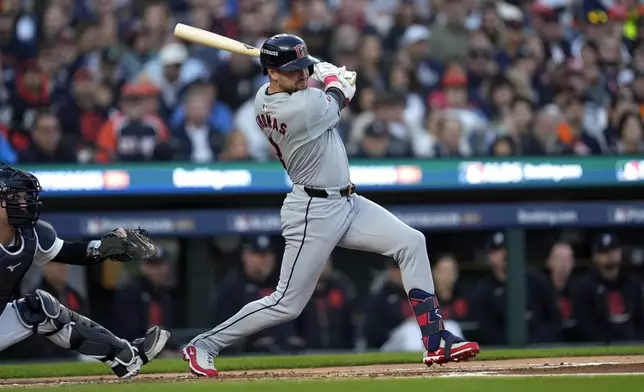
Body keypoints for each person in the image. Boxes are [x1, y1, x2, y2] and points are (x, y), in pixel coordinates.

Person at [183, 34, 479, 377]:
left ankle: (435, 338)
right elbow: (340, 96)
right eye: (292, 70)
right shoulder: (301, 107)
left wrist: (320, 73)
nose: (302, 74)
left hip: (346, 200)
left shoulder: (265, 96)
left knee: (412, 242)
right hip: (313, 211)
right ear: (272, 74)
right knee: (286, 304)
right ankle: (204, 343)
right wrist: (336, 77)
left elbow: (323, 89)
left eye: (304, 68)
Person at [0, 165, 169, 379]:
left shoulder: (31, 235)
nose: (24, 203)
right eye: (15, 197)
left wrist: (104, 247)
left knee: (40, 309)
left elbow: (71, 252)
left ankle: (126, 357)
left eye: (25, 196)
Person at [572, 233, 644, 342]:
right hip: (598, 348)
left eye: (613, 251)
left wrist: (634, 341)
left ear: (620, 252)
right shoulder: (584, 286)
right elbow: (584, 324)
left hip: (632, 345)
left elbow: (640, 319)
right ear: (595, 257)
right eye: (604, 252)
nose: (610, 256)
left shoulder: (633, 283)